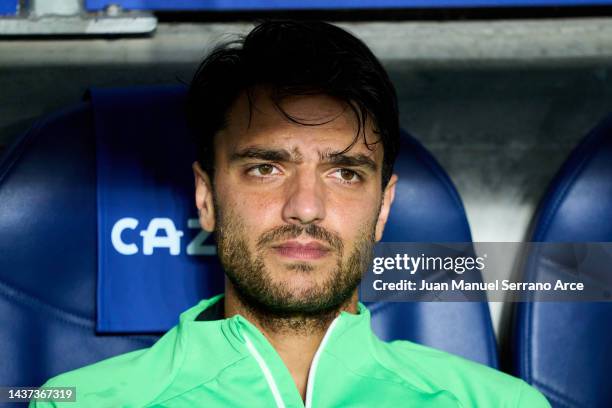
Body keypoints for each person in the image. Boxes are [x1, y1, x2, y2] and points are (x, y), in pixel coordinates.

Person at [32, 20, 549, 407]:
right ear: (206, 197)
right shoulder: (86, 402)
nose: (305, 207)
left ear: (383, 206)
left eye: (345, 173)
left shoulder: (499, 403)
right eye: (265, 168)